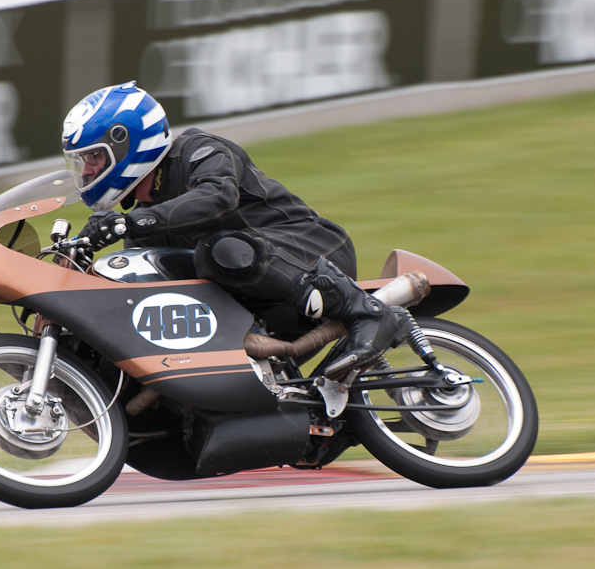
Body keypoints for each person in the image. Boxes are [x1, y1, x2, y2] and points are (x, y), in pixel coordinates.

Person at [61, 81, 412, 378]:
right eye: (84, 163)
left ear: (127, 143)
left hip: (311, 252)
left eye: (94, 158)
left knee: (220, 250)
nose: (88, 172)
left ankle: (369, 312)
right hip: (259, 302)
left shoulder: (199, 150)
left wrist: (129, 220)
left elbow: (217, 198)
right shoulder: (141, 225)